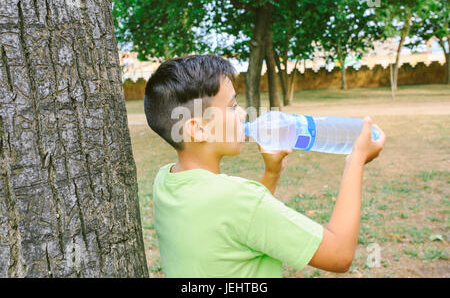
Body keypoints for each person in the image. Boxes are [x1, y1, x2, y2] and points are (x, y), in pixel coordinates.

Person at [144, 54, 386, 277]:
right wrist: (355, 161)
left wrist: (272, 172)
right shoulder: (240, 200)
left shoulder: (165, 180)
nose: (242, 115)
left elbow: (236, 223)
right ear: (198, 128)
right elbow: (340, 255)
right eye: (232, 107)